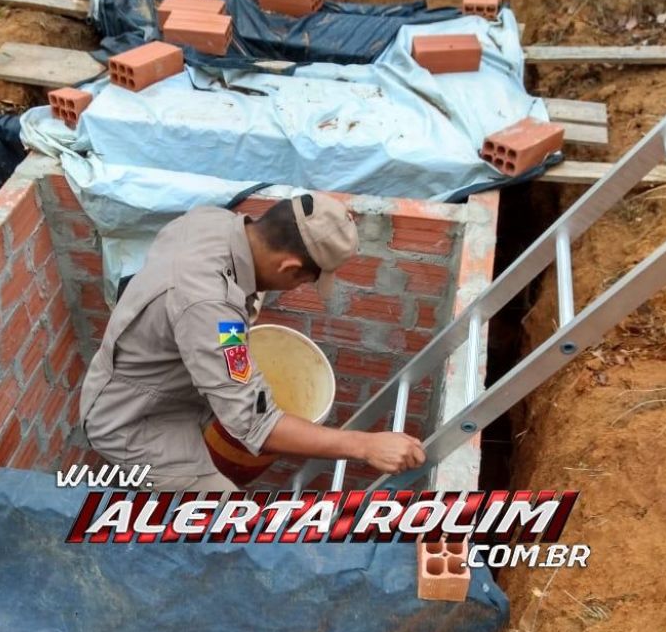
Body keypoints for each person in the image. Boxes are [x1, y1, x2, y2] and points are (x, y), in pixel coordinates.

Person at [80, 193, 426, 490]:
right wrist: (364, 446)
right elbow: (258, 425)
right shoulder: (209, 307)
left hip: (165, 387)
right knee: (231, 521)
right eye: (304, 281)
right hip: (135, 423)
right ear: (289, 267)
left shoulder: (212, 221)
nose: (298, 287)